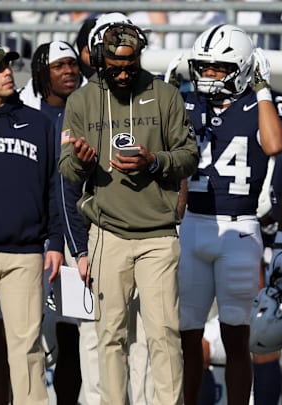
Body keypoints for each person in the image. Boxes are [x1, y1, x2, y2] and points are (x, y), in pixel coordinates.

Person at [57, 19, 199, 405]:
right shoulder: (82, 101)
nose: (122, 73)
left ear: (139, 58)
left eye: (129, 65)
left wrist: (154, 162)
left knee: (165, 334)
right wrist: (83, 162)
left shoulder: (165, 94)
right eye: (114, 66)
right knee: (109, 335)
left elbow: (190, 157)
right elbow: (67, 170)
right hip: (108, 233)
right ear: (100, 59)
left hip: (157, 234)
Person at [175, 24, 282, 405]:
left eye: (218, 68)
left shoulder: (262, 103)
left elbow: (275, 144)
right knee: (187, 334)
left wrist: (262, 90)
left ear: (242, 67)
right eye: (203, 68)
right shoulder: (187, 103)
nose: (208, 76)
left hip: (240, 228)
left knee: (238, 336)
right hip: (192, 224)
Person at [0, 40, 64, 404]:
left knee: (28, 350)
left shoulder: (37, 123)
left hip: (27, 253)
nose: (8, 72)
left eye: (8, 65)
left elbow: (54, 187)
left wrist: (55, 242)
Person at [18, 39, 85, 405]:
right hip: (34, 239)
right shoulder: (25, 114)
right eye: (60, 66)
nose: (70, 72)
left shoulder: (90, 111)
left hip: (77, 238)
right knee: (27, 333)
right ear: (43, 72)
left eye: (73, 65)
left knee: (71, 332)